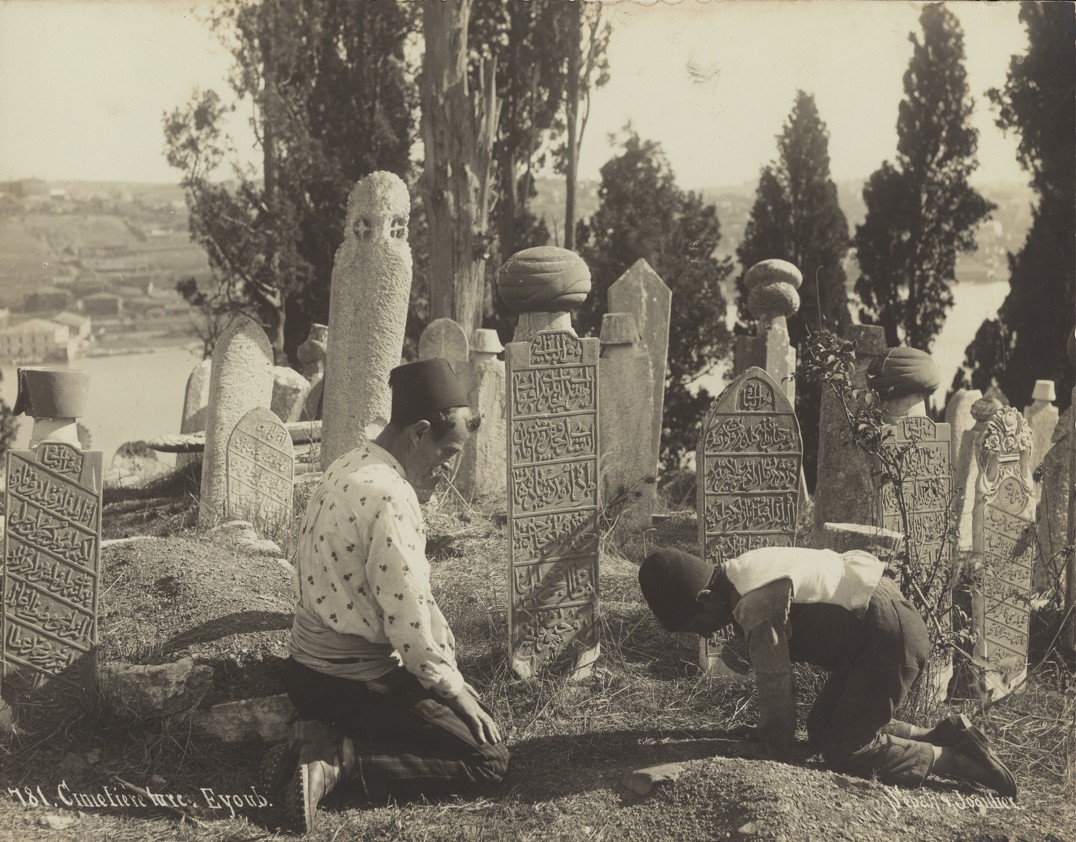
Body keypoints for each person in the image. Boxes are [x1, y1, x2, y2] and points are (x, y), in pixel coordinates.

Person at [264, 358, 509, 832]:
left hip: (304, 672)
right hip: (353, 683)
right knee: (489, 759)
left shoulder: (351, 462)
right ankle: (340, 760)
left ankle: (316, 731)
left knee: (463, 713)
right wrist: (453, 689)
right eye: (448, 453)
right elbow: (408, 621)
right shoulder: (392, 496)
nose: (448, 470)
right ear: (419, 434)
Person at [637, 546, 1017, 799]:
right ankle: (945, 734)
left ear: (706, 598)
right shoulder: (742, 571)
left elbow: (776, 681)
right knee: (822, 730)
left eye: (697, 624)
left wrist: (776, 744)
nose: (703, 633)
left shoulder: (755, 603)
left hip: (886, 640)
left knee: (843, 748)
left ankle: (954, 761)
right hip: (879, 630)